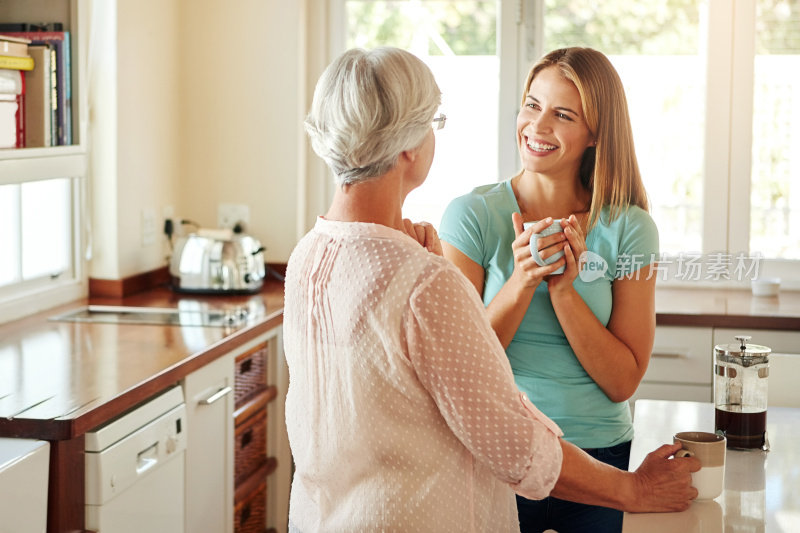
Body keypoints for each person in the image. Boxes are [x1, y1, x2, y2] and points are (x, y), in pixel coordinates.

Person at [284, 46, 698, 533]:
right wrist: (635, 488)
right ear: (408, 145)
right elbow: (514, 443)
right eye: (432, 121)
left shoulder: (306, 255)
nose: (539, 125)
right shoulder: (427, 275)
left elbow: (388, 386)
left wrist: (418, 260)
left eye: (562, 113)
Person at [438, 47, 660, 532]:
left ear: (595, 133)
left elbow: (623, 381)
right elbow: (457, 368)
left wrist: (564, 292)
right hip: (500, 452)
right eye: (532, 105)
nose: (537, 127)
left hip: (599, 459)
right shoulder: (472, 216)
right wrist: (522, 281)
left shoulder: (630, 228)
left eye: (562, 114)